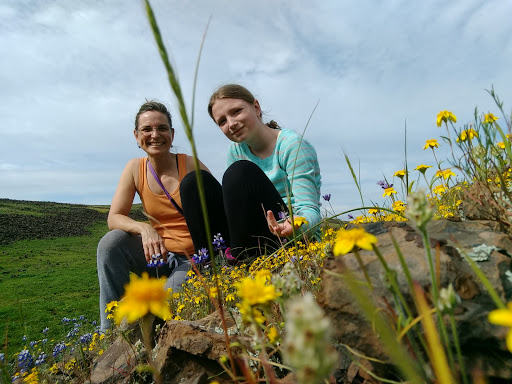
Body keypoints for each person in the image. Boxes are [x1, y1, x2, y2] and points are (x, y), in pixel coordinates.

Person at [96, 101, 229, 331]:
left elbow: (219, 205)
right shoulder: (134, 169)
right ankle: (109, 331)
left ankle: (138, 319)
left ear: (172, 134)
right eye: (147, 129)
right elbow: (114, 217)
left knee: (160, 304)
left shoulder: (189, 164)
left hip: (194, 258)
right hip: (158, 255)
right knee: (110, 243)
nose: (155, 135)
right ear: (137, 137)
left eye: (162, 128)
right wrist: (145, 228)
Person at [207, 84, 322, 260]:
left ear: (256, 107)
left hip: (293, 236)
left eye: (236, 111)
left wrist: (294, 225)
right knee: (194, 182)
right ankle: (208, 266)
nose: (231, 124)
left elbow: (310, 210)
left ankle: (241, 262)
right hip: (256, 232)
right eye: (222, 121)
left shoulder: (291, 145)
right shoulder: (235, 151)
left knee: (239, 171)